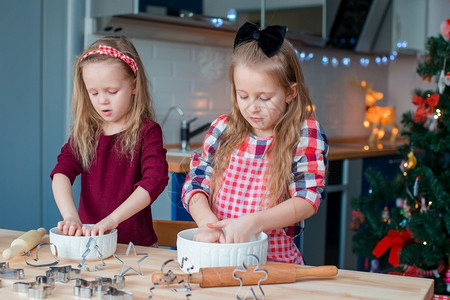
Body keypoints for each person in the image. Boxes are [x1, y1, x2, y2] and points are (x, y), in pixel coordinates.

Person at [182, 22, 329, 264]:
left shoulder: (304, 134)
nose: (252, 107)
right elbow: (196, 181)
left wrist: (252, 223)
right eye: (243, 96)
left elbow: (306, 199)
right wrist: (207, 223)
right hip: (221, 258)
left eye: (264, 97)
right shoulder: (223, 129)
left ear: (290, 93)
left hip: (274, 264)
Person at [51, 36, 169, 246]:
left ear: (133, 85)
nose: (102, 100)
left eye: (112, 91)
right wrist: (70, 216)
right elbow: (61, 173)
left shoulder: (147, 132)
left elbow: (155, 180)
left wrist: (112, 220)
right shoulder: (86, 132)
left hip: (136, 248)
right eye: (93, 93)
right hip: (90, 244)